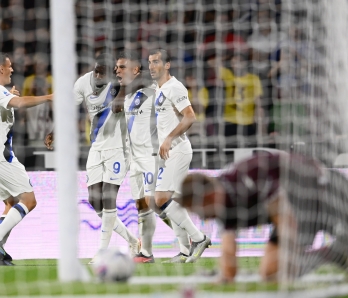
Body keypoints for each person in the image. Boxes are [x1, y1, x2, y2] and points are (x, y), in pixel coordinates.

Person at [178, 153, 348, 282]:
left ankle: (338, 250)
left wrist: (291, 257)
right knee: (270, 272)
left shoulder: (246, 177)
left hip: (324, 192)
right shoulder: (222, 205)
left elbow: (285, 220)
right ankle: (336, 253)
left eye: (195, 209)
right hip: (297, 208)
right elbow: (229, 257)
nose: (200, 217)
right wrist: (224, 278)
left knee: (285, 269)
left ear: (207, 197)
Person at [44, 53, 140, 261]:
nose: (97, 75)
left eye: (102, 72)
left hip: (118, 148)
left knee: (108, 197)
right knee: (95, 200)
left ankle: (103, 252)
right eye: (96, 70)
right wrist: (54, 131)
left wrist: (122, 91)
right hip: (96, 147)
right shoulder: (82, 83)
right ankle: (132, 239)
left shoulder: (120, 84)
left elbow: (133, 88)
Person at [0, 52, 53, 266]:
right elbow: (19, 103)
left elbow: (3, 109)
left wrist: (7, 94)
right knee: (29, 201)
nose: (12, 70)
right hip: (1, 157)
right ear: (1, 68)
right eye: (9, 66)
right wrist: (48, 97)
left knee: (10, 204)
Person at [149, 49, 211, 263]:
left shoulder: (175, 87)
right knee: (166, 201)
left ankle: (199, 238)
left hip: (179, 149)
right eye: (149, 62)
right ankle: (184, 250)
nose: (151, 66)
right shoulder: (158, 89)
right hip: (168, 152)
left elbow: (190, 116)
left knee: (160, 199)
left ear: (167, 65)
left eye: (156, 62)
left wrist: (168, 138)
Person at [113, 51, 158, 263]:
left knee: (156, 203)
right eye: (116, 67)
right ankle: (145, 253)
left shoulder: (153, 92)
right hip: (134, 160)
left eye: (122, 67)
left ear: (136, 69)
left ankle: (189, 239)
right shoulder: (127, 96)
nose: (117, 71)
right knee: (141, 205)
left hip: (151, 156)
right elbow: (115, 109)